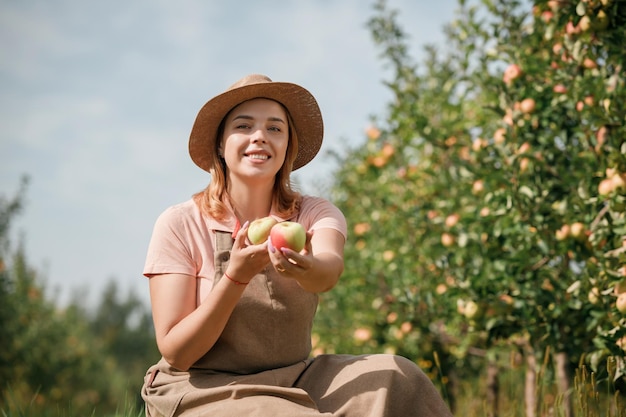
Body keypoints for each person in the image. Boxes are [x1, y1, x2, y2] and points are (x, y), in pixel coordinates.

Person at [140, 74, 454, 417]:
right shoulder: (181, 223)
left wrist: (306, 266)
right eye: (244, 126)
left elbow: (328, 273)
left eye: (275, 128)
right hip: (204, 385)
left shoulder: (312, 213)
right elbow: (178, 354)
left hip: (295, 377)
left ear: (287, 146)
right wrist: (235, 278)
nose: (260, 136)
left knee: (400, 376)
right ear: (220, 144)